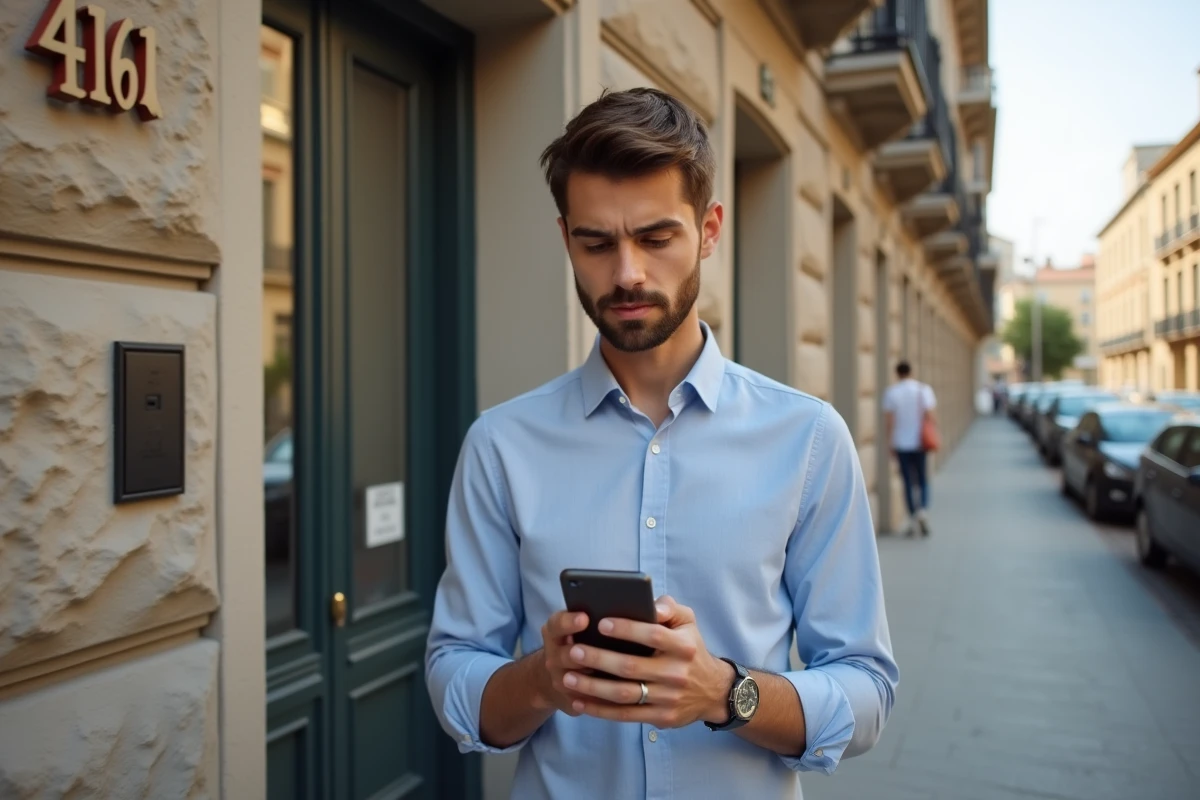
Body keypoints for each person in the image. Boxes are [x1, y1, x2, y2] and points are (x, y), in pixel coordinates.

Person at [425, 88, 897, 800]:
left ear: (709, 230)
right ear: (566, 240)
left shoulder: (808, 439)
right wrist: (542, 679)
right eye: (597, 243)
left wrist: (724, 692)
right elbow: (454, 674)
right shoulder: (500, 446)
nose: (626, 275)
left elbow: (866, 690)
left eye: (655, 238)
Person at [882, 362, 937, 536]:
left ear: (897, 373)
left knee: (907, 481)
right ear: (911, 372)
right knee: (922, 479)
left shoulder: (891, 393)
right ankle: (923, 510)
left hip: (901, 444)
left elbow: (889, 421)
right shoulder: (923, 390)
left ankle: (912, 518)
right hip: (920, 442)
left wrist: (890, 443)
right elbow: (930, 416)